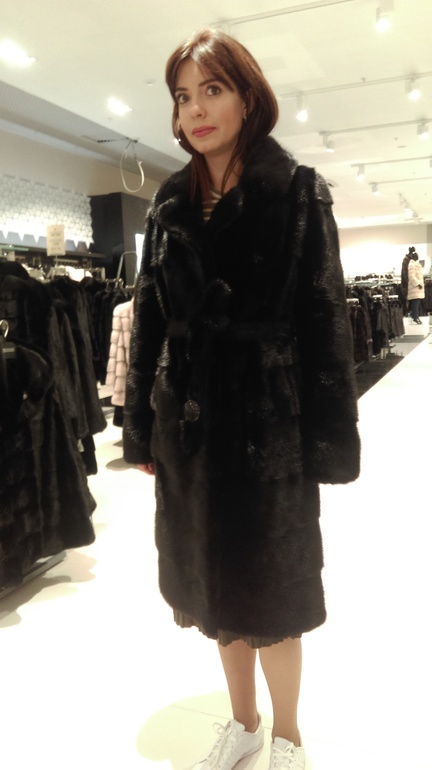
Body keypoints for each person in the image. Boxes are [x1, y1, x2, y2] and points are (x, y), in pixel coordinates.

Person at [123, 28, 360, 770]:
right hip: (190, 424)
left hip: (267, 423)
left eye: (212, 90)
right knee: (214, 592)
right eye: (182, 97)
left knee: (274, 595)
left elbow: (324, 318)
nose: (194, 110)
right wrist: (142, 428)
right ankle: (244, 723)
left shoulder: (296, 192)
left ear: (248, 97)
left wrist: (327, 440)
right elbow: (150, 321)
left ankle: (287, 736)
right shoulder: (170, 202)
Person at [407, 250, 425, 324]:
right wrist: (418, 283)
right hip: (415, 287)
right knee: (415, 302)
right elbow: (411, 276)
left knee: (417, 302)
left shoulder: (416, 265)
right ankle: (415, 317)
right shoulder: (412, 265)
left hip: (417, 287)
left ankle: (415, 316)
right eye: (415, 256)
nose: (417, 257)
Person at [401, 246, 415, 315]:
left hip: (408, 282)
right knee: (406, 298)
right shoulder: (406, 260)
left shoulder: (409, 260)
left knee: (410, 298)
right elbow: (405, 273)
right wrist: (408, 282)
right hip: (406, 283)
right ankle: (406, 312)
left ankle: (409, 311)